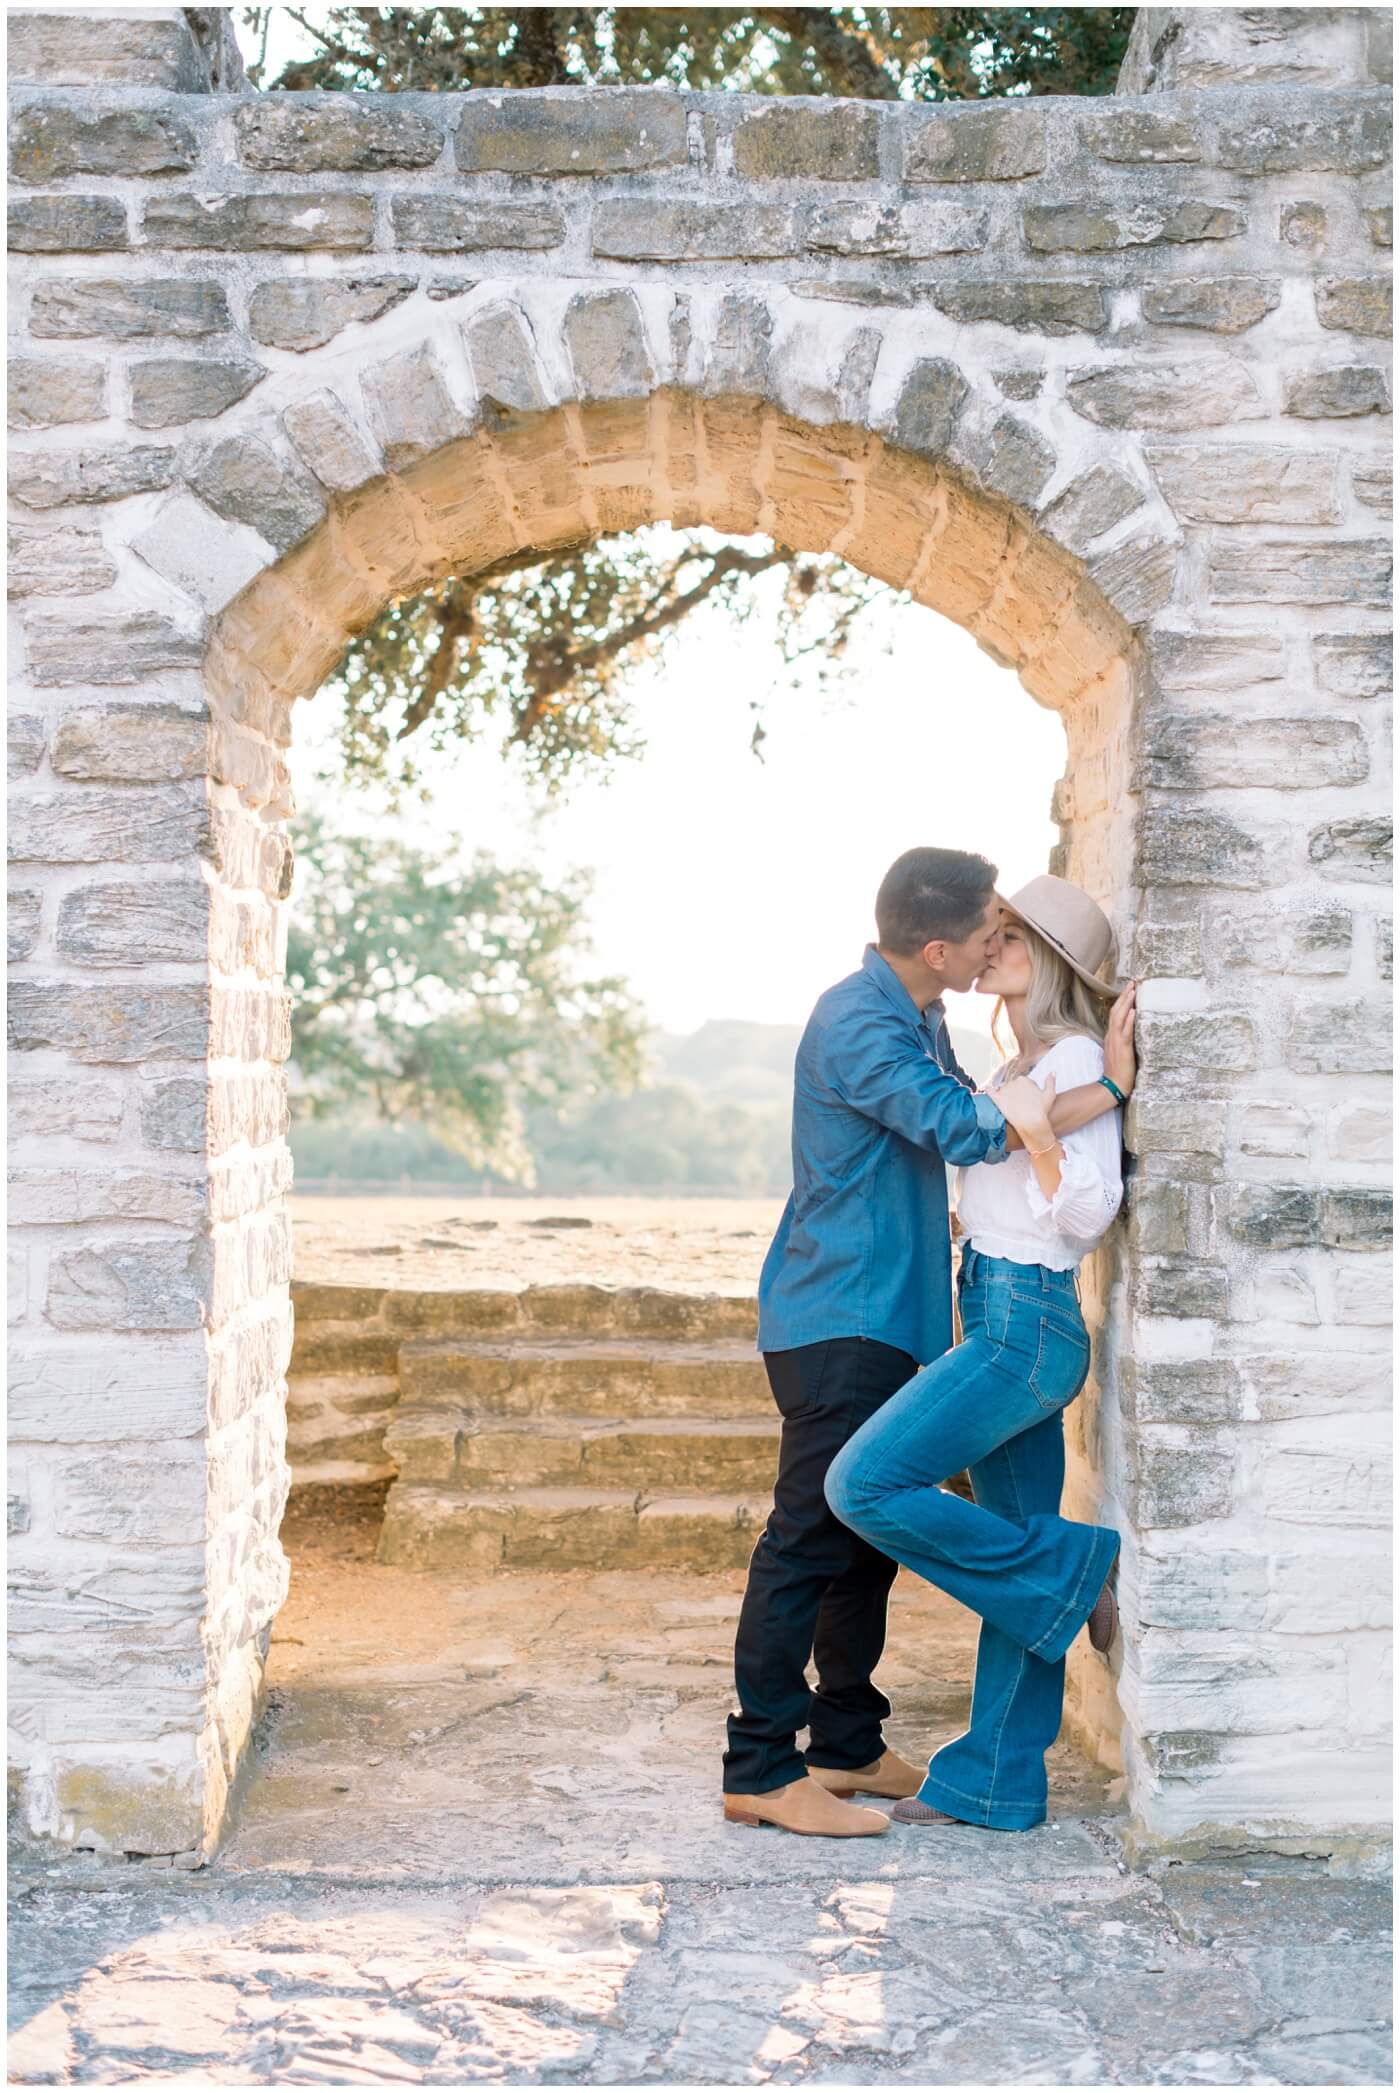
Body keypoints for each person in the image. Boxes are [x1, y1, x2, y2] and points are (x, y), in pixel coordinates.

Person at [722, 850, 1137, 1838]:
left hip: (951, 1315)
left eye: (1014, 933)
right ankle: (761, 1762)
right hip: (843, 1308)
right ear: (940, 946)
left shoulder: (932, 1023)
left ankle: (868, 1746)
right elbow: (964, 1128)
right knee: (825, 1521)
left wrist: (1072, 1106)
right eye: (988, 931)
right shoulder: (869, 1021)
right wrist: (1112, 1089)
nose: (996, 944)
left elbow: (1055, 1186)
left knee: (858, 1535)